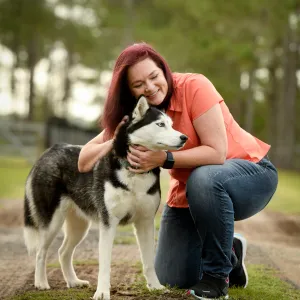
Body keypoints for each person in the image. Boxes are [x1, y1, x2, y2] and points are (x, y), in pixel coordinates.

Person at [78, 43, 278, 299]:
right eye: (138, 84)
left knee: (204, 178)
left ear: (164, 70)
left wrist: (163, 158)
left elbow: (216, 154)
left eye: (153, 77)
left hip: (249, 173)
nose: (149, 87)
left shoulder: (195, 86)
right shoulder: (136, 113)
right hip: (191, 192)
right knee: (172, 276)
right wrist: (117, 137)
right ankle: (231, 253)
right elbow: (84, 161)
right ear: (129, 91)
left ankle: (217, 278)